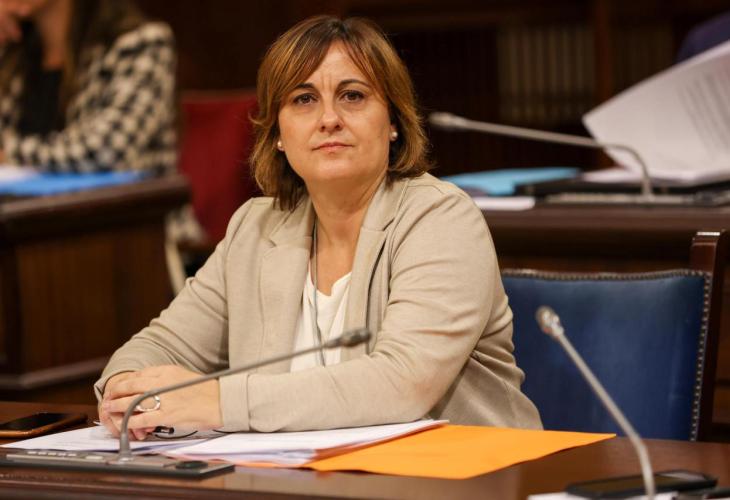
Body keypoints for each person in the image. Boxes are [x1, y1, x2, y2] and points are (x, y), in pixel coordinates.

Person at [97, 15, 541, 439]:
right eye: (304, 100)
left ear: (392, 122)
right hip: (307, 477)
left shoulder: (441, 219)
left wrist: (217, 401)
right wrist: (125, 388)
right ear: (277, 132)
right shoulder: (255, 228)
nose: (329, 118)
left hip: (461, 474)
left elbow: (401, 384)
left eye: (353, 96)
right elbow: (159, 347)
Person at [0, 0, 176, 172]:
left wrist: (9, 155)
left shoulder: (140, 43)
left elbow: (106, 150)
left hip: (124, 191)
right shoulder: (13, 48)